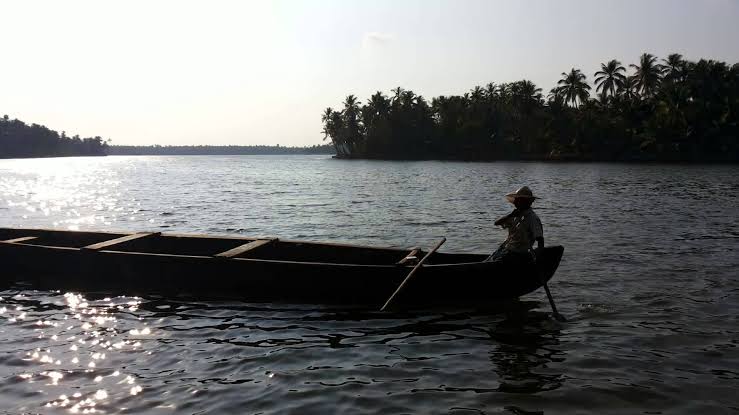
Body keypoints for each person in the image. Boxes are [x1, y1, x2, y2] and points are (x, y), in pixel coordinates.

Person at [487, 186, 544, 264]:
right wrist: (510, 215)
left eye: (518, 200)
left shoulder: (532, 218)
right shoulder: (515, 215)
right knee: (490, 259)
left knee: (497, 262)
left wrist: (538, 258)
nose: (515, 202)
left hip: (519, 254)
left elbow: (540, 239)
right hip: (507, 250)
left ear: (526, 201)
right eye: (516, 199)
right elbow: (497, 223)